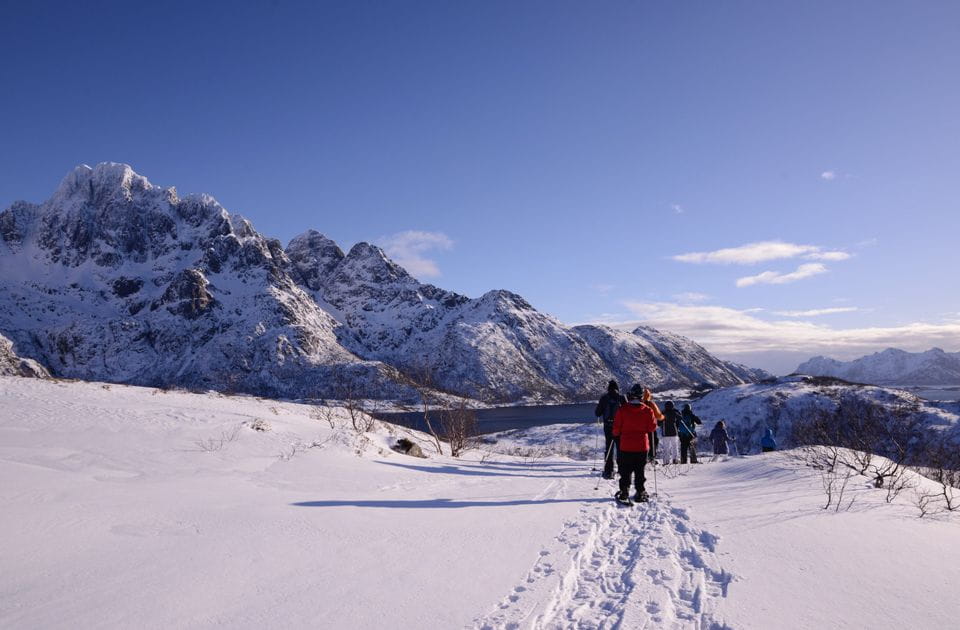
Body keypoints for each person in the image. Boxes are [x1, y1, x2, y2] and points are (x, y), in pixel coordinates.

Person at [612, 384, 661, 503]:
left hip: (626, 446)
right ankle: (640, 491)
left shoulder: (622, 410)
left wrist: (616, 434)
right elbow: (652, 428)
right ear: (641, 397)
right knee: (640, 470)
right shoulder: (647, 410)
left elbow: (616, 429)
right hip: (641, 446)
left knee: (626, 470)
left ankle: (624, 491)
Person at [594, 380, 627, 479]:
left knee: (609, 448)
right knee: (621, 448)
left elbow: (597, 413)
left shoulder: (604, 398)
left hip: (608, 427)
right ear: (617, 388)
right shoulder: (621, 398)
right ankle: (622, 469)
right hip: (620, 428)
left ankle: (609, 471)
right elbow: (628, 411)